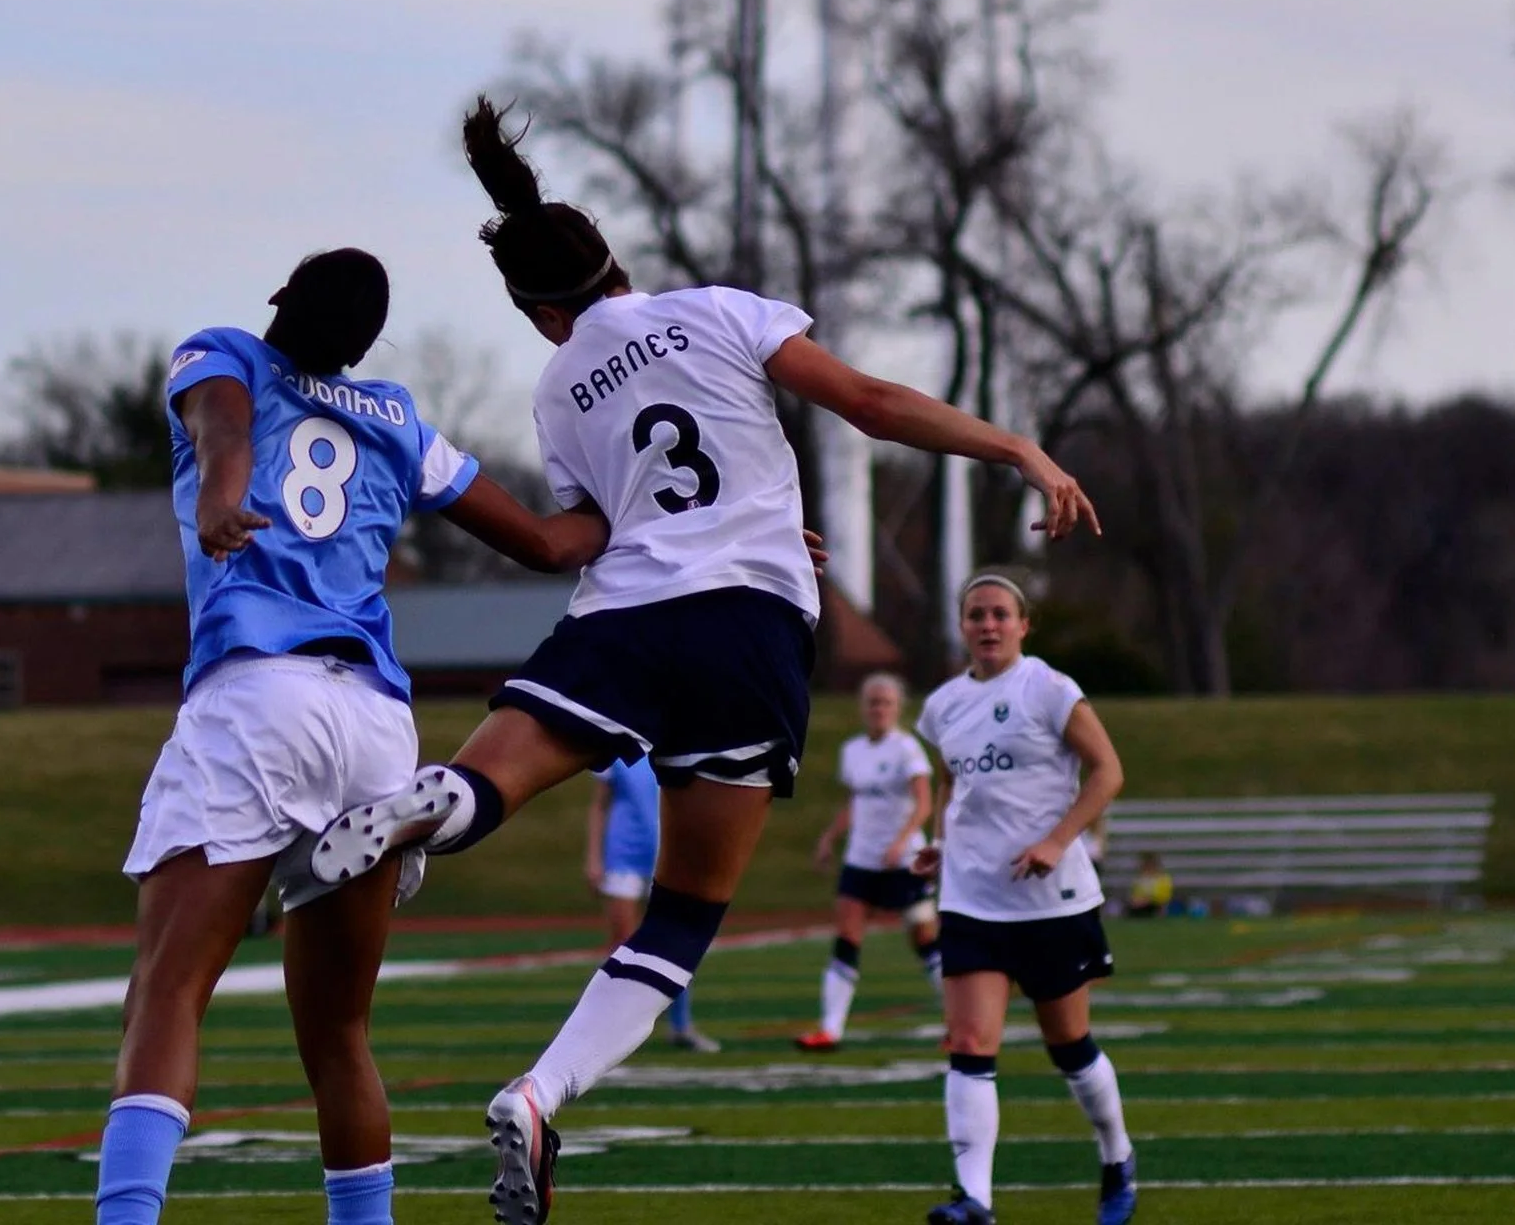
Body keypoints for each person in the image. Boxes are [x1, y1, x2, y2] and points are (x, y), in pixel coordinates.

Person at [302, 99, 1099, 1225]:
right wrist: (1011, 445)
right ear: (616, 261)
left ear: (538, 313)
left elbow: (577, 537)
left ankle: (440, 803)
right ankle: (541, 1090)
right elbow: (866, 403)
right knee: (681, 917)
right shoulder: (719, 310)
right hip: (754, 628)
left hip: (627, 614)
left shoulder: (555, 386)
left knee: (493, 775)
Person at [96, 248, 620, 1225]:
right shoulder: (395, 416)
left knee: (166, 990)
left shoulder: (223, 353)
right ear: (364, 344)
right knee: (339, 1034)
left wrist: (219, 498)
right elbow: (548, 544)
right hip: (377, 724)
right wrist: (665, 515)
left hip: (260, 696)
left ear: (277, 300)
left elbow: (223, 425)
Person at [909, 573, 1135, 1225]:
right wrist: (941, 842)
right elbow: (953, 783)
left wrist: (1057, 840)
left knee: (1068, 1043)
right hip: (972, 899)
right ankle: (975, 1198)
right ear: (963, 626)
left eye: (1000, 614)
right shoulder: (943, 705)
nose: (988, 625)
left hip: (1052, 900)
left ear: (1022, 624)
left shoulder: (1049, 689)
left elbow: (1109, 771)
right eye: (976, 615)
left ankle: (1116, 1153)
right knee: (969, 1040)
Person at [797, 673, 941, 1052]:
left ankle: (961, 1024)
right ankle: (830, 1030)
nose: (879, 709)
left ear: (898, 708)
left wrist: (900, 842)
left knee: (925, 940)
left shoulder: (907, 749)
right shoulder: (853, 751)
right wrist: (830, 837)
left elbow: (924, 803)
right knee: (846, 938)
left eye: (886, 703)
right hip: (861, 859)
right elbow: (854, 803)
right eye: (873, 702)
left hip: (903, 862)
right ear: (863, 708)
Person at [585, 758, 717, 1053]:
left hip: (669, 851)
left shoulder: (679, 742)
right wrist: (594, 858)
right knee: (622, 943)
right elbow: (599, 805)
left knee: (676, 940)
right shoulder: (619, 745)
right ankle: (608, 1031)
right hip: (623, 854)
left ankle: (681, 1026)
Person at [1123, 852, 1173, 919]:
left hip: (1156, 903)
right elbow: (1135, 893)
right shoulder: (1140, 879)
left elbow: (1164, 896)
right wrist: (1136, 899)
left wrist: (1148, 899)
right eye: (1146, 865)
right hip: (1141, 903)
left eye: (1150, 865)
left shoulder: (1163, 878)